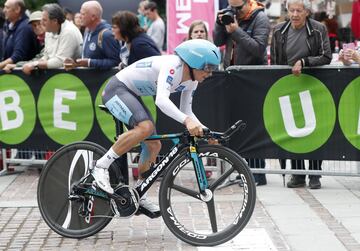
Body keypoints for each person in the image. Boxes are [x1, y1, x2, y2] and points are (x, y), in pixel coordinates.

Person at [92, 39, 221, 215]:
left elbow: (186, 111)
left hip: (131, 93)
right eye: (209, 68)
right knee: (145, 127)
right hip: (117, 89)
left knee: (154, 144)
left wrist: (205, 130)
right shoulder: (173, 65)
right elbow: (161, 100)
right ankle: (100, 166)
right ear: (195, 62)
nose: (211, 73)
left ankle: (139, 192)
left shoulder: (193, 80)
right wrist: (187, 122)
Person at [270, 0, 332, 189]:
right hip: (289, 86)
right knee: (292, 130)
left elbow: (326, 56)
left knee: (315, 130)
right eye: (292, 10)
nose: (295, 14)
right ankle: (297, 175)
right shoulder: (279, 30)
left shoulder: (318, 29)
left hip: (314, 85)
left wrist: (304, 62)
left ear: (307, 12)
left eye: (299, 10)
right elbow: (274, 61)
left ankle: (314, 174)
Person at [213, 0, 270, 186]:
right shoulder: (230, 16)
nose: (234, 12)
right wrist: (219, 23)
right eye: (232, 8)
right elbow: (218, 41)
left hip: (252, 78)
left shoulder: (260, 18)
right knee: (239, 126)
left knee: (253, 125)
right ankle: (245, 170)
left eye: (238, 8)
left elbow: (258, 49)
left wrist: (236, 31)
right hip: (233, 77)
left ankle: (258, 173)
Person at [22, 3, 83, 74]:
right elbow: (46, 55)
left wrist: (35, 64)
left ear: (55, 21)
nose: (41, 23)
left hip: (72, 78)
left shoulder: (69, 32)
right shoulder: (49, 30)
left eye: (44, 20)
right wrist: (34, 64)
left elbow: (60, 62)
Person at [64, 1, 120, 70]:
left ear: (93, 17)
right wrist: (76, 63)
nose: (80, 17)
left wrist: (90, 62)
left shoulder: (106, 35)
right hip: (88, 79)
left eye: (83, 14)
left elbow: (116, 62)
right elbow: (86, 59)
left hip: (102, 80)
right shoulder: (87, 30)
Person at [0, 0, 40, 70]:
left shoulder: (24, 27)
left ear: (17, 9)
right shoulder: (10, 25)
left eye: (7, 7)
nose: (4, 10)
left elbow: (18, 56)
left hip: (23, 76)